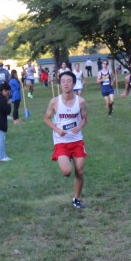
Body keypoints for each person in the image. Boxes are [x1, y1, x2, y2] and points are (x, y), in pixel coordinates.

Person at [44, 71, 88, 208]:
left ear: (74, 84)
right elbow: (46, 119)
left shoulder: (81, 101)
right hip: (61, 142)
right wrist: (57, 130)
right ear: (60, 84)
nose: (66, 84)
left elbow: (85, 119)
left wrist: (79, 127)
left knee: (79, 171)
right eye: (63, 81)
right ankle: (66, 159)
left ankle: (76, 199)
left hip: (77, 140)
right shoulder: (55, 101)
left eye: (69, 81)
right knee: (67, 172)